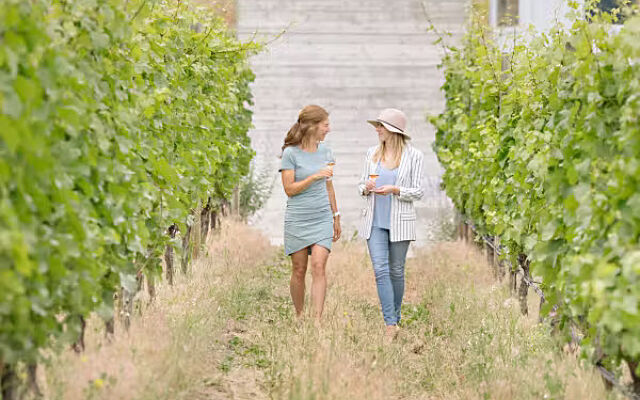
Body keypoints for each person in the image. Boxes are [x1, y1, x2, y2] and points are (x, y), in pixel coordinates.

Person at [358, 108, 424, 340]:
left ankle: (394, 321)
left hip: (400, 222)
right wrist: (365, 188)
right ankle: (390, 324)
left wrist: (396, 190)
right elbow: (361, 185)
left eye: (381, 126)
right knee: (380, 270)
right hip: (374, 221)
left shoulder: (414, 156)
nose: (377, 130)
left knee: (396, 271)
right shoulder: (371, 154)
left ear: (393, 131)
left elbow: (418, 191)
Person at [280, 105, 341, 321]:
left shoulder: (326, 152)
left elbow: (329, 186)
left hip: (322, 217)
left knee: (318, 266)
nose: (329, 129)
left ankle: (316, 321)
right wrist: (313, 176)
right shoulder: (290, 154)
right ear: (313, 126)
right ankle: (299, 316)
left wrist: (336, 215)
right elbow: (289, 190)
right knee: (299, 269)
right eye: (325, 125)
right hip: (298, 218)